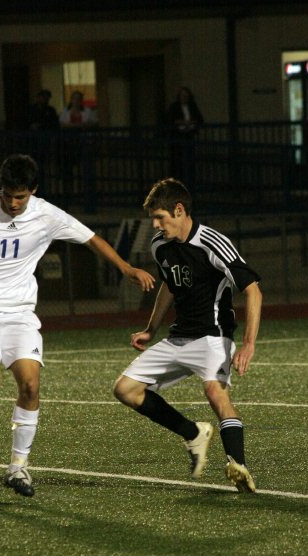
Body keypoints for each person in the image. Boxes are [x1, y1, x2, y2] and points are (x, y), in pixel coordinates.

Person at [0, 154, 155, 503]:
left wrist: (126, 268)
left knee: (30, 384)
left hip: (20, 314)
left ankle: (18, 466)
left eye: (21, 197)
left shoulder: (46, 214)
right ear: (0, 190)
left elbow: (91, 239)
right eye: (9, 195)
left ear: (33, 191)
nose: (14, 203)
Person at [114, 178, 262, 493]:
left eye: (160, 217)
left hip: (213, 335)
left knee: (215, 392)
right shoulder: (160, 245)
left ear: (179, 210)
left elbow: (253, 290)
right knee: (125, 389)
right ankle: (193, 432)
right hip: (179, 336)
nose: (155, 225)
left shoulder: (212, 242)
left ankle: (239, 466)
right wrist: (151, 329)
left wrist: (248, 343)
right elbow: (169, 285)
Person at [166, 87, 204, 190]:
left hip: (189, 136)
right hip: (178, 137)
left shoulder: (192, 106)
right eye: (182, 96)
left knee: (189, 161)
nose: (184, 98)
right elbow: (171, 120)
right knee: (178, 162)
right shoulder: (175, 107)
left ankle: (189, 185)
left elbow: (199, 119)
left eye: (186, 96)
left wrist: (191, 123)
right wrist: (182, 123)